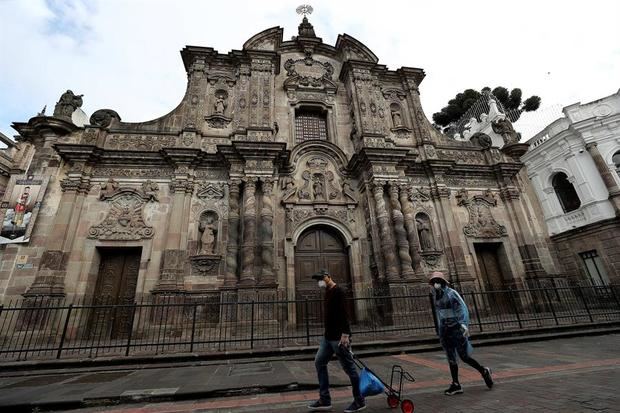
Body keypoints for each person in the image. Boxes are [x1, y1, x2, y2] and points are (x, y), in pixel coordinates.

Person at [308, 269, 366, 412]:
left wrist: (346, 334)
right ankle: (325, 399)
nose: (319, 282)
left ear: (328, 277)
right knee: (319, 362)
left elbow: (344, 314)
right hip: (328, 338)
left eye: (321, 278)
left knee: (350, 369)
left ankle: (359, 401)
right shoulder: (327, 291)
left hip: (339, 338)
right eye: (318, 280)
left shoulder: (339, 291)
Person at [429, 271, 493, 395]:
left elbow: (461, 308)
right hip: (445, 329)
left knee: (464, 356)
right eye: (433, 282)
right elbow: (439, 313)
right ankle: (456, 384)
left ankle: (483, 370)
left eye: (437, 281)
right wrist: (439, 328)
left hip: (456, 328)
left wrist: (463, 324)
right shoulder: (436, 295)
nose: (435, 284)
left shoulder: (451, 294)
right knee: (451, 357)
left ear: (442, 282)